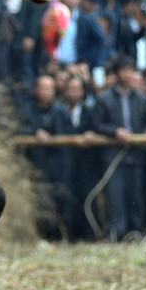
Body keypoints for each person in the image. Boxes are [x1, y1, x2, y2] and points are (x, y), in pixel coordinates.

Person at [94, 56, 146, 242]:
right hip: (113, 155)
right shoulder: (104, 98)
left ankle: (137, 232)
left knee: (136, 194)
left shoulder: (141, 97)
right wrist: (115, 131)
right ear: (116, 74)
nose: (128, 74)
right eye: (124, 70)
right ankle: (115, 233)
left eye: (130, 70)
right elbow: (97, 124)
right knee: (114, 195)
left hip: (136, 153)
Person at [19, 75, 69, 239]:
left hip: (57, 162)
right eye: (44, 88)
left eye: (50, 88)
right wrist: (35, 132)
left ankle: (58, 235)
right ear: (36, 90)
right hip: (35, 162)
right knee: (39, 198)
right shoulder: (27, 109)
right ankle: (40, 234)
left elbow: (68, 131)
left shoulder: (60, 110)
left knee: (58, 197)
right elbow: (19, 129)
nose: (47, 92)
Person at [60, 74, 98, 240]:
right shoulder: (59, 111)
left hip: (85, 162)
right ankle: (68, 234)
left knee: (86, 196)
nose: (73, 92)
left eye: (77, 89)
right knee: (67, 197)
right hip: (65, 162)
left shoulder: (90, 111)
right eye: (70, 89)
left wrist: (92, 133)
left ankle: (89, 235)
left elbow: (97, 126)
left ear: (83, 91)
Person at [75, 0, 107, 69]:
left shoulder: (92, 19)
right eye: (89, 1)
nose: (91, 5)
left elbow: (100, 39)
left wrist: (86, 58)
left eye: (94, 3)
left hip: (84, 60)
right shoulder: (76, 15)